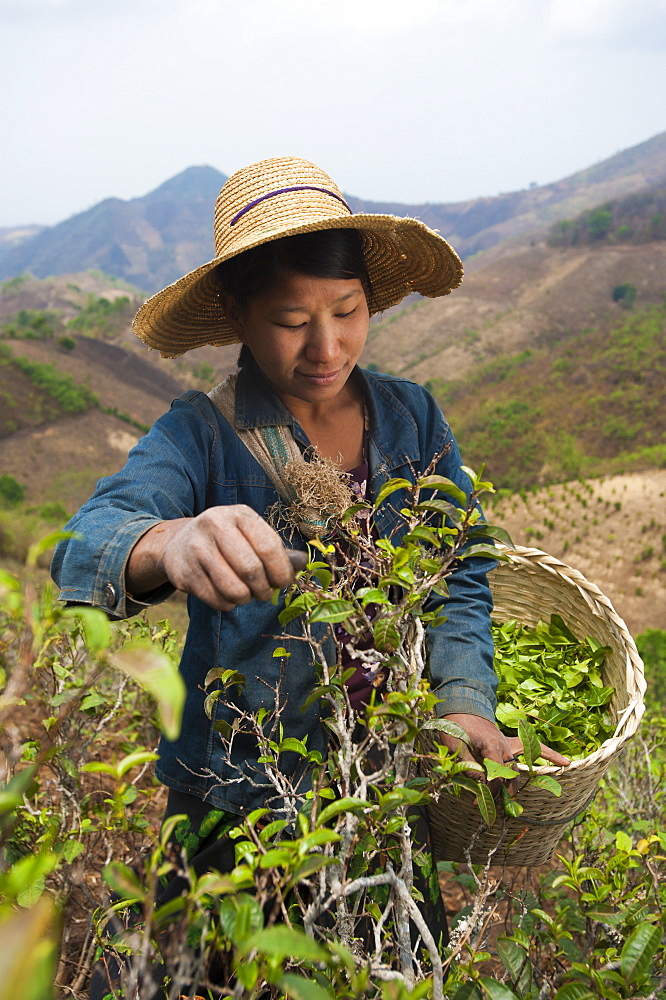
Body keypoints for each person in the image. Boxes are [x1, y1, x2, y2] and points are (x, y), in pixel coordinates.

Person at [51, 157, 569, 997]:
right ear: (237, 316)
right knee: (215, 975)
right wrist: (174, 541)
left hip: (385, 789)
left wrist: (464, 696)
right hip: (241, 795)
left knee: (391, 964)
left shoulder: (412, 419)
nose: (325, 347)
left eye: (347, 312)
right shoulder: (202, 435)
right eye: (292, 320)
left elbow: (460, 570)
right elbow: (86, 543)